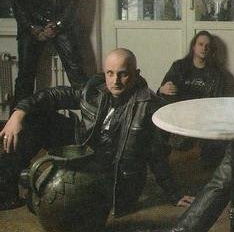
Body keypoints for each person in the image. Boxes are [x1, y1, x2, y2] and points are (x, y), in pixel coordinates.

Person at [0, 48, 193, 212]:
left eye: (123, 74)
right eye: (110, 73)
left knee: (63, 206)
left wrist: (174, 194)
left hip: (112, 171)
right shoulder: (95, 89)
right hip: (86, 148)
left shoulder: (148, 105)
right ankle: (6, 188)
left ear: (136, 73)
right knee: (35, 118)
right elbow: (53, 95)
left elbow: (156, 155)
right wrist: (18, 113)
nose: (115, 80)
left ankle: (43, 184)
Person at [159, 31, 226, 167]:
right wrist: (161, 89)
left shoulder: (216, 73)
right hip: (180, 115)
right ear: (193, 47)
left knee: (210, 161)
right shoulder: (179, 66)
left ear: (211, 49)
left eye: (207, 46)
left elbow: (218, 103)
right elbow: (164, 91)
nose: (204, 48)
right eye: (200, 44)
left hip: (204, 117)